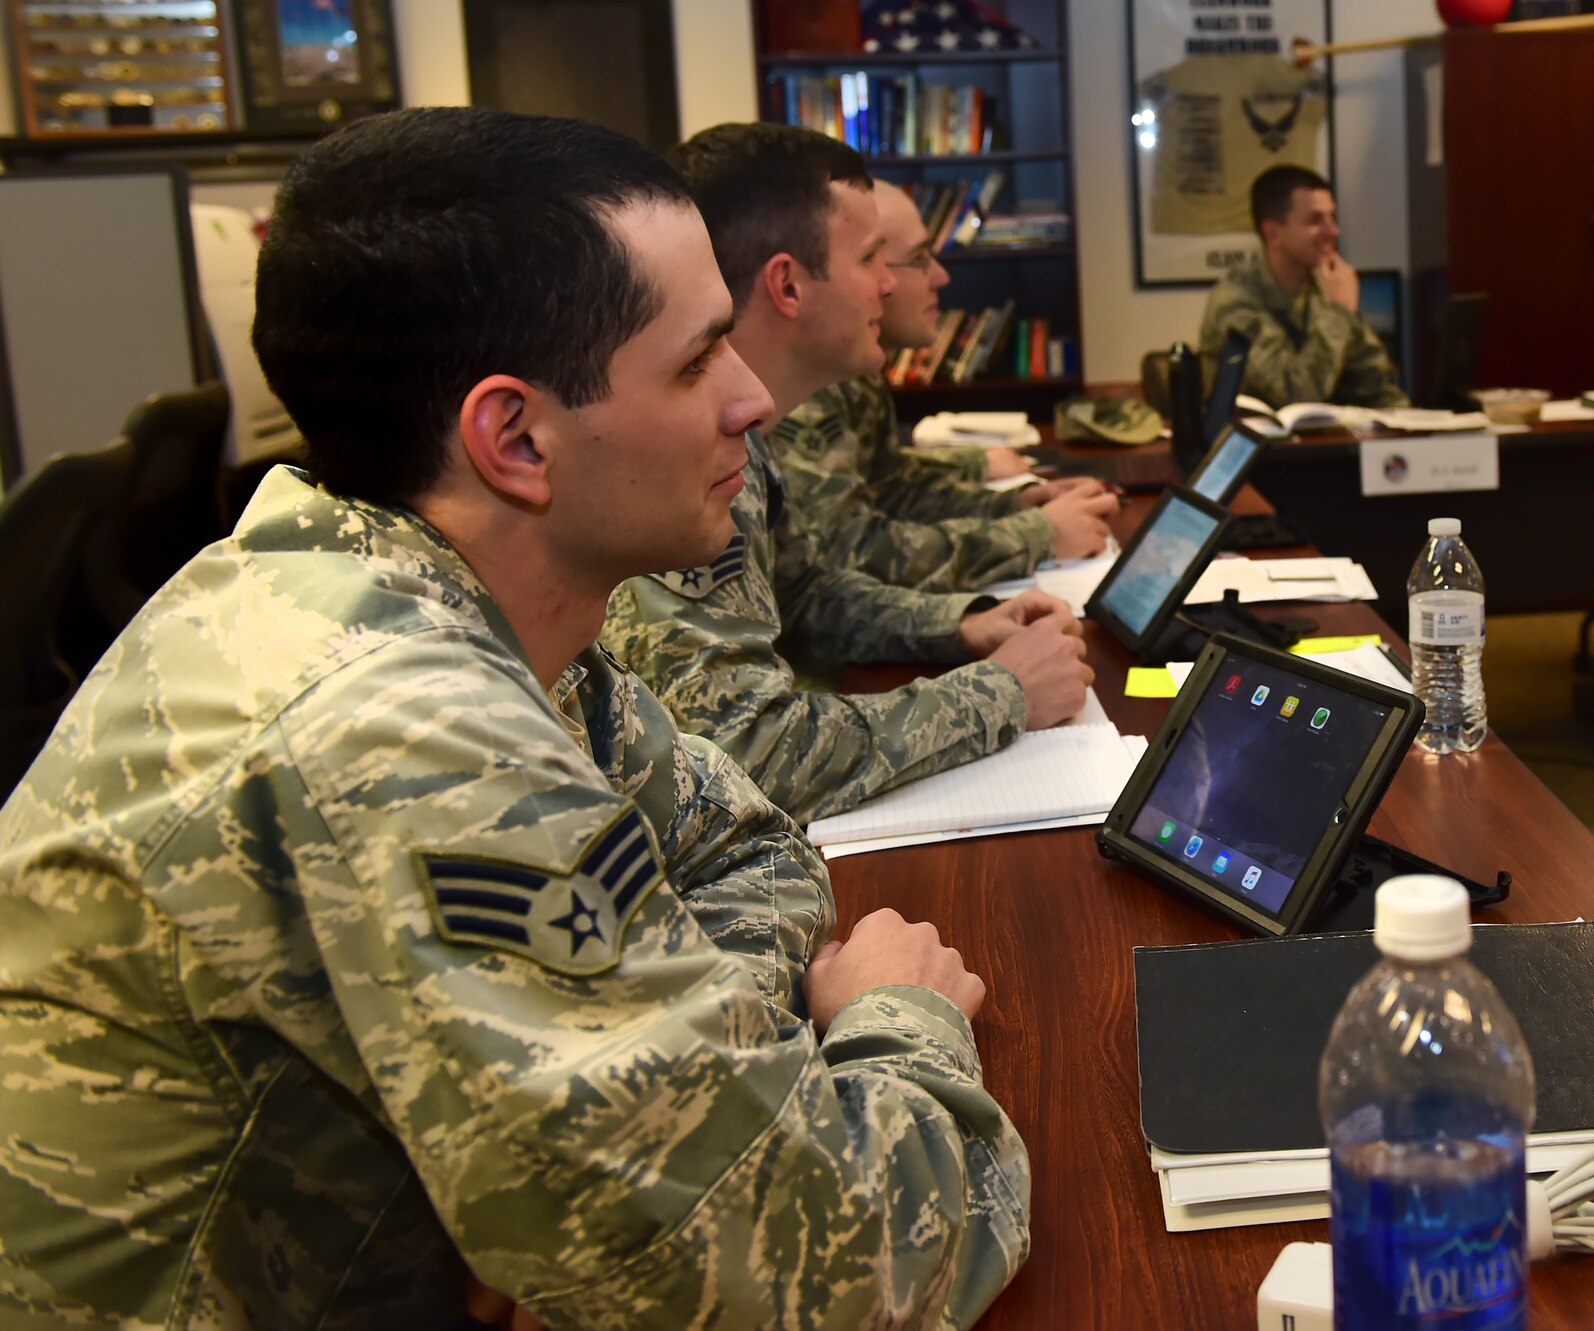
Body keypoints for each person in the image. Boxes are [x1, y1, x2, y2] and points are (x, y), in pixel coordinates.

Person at [0, 108, 1028, 1328]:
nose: (752, 399)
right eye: (699, 361)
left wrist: (677, 1036)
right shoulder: (393, 719)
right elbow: (849, 1267)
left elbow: (751, 841)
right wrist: (886, 1013)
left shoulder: (463, 603)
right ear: (515, 437)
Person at [599, 123, 1092, 826]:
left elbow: (807, 595)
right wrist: (1002, 692)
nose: (890, 285)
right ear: (789, 285)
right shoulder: (692, 447)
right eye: (870, 259)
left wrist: (961, 623)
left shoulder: (742, 430)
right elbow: (745, 746)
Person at [768, 183, 1119, 592]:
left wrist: (1012, 506)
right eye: (916, 259)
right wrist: (1034, 536)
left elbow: (888, 486)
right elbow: (843, 562)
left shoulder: (856, 368)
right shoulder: (809, 379)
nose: (940, 275)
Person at [1197, 164, 1409, 410]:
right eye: (1316, 220)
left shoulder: (1322, 288)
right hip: (1257, 444)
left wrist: (1412, 425)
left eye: (1332, 217)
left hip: (1329, 440)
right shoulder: (1235, 300)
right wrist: (1338, 313)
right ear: (1273, 232)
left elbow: (1373, 382)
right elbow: (1294, 394)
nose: (1333, 231)